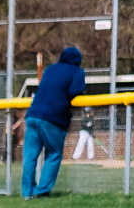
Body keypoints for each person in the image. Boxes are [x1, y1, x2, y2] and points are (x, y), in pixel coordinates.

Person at [23, 46, 87, 199]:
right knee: (54, 154)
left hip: (32, 115)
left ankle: (27, 192)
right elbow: (75, 90)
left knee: (30, 156)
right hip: (53, 118)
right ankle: (42, 191)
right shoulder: (77, 71)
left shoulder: (50, 69)